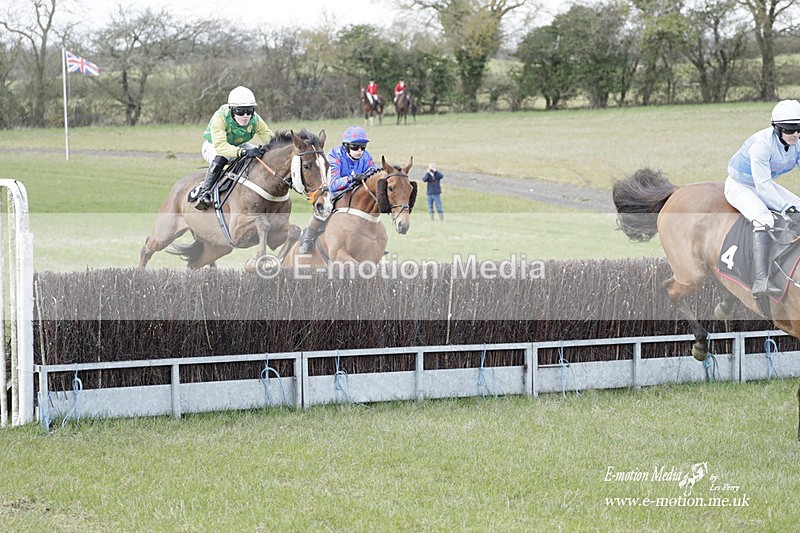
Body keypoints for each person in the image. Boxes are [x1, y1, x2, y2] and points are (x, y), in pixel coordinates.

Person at [725, 99, 800, 303]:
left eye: (799, 129)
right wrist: (788, 208)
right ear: (776, 128)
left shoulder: (798, 142)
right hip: (741, 186)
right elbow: (763, 188)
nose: (795, 135)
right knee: (764, 219)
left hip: (764, 183)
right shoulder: (761, 145)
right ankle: (761, 280)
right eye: (789, 130)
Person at [297, 126, 377, 254]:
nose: (360, 151)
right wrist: (352, 178)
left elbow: (374, 175)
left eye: (363, 147)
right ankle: (308, 238)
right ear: (345, 146)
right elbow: (334, 184)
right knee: (326, 207)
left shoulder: (367, 157)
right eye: (355, 147)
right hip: (335, 193)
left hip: (356, 194)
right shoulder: (334, 156)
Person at [195, 86, 274, 210]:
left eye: (250, 111)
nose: (245, 116)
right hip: (214, 146)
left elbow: (268, 137)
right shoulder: (220, 118)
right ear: (232, 110)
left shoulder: (255, 119)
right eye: (240, 112)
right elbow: (221, 147)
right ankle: (205, 192)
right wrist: (243, 152)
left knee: (262, 154)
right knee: (221, 158)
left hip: (238, 145)